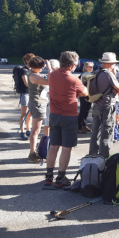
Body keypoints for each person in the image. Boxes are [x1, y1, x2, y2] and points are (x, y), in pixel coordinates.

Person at [45, 51, 89, 187]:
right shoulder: (73, 79)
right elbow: (85, 92)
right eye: (76, 64)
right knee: (66, 148)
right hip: (68, 116)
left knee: (53, 146)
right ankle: (61, 177)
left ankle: (48, 176)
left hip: (54, 114)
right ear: (71, 66)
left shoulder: (52, 75)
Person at [88, 52, 119, 158]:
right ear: (109, 63)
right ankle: (104, 158)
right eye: (113, 63)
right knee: (106, 133)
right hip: (107, 106)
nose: (114, 65)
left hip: (96, 105)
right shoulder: (108, 74)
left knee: (95, 132)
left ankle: (92, 155)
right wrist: (117, 89)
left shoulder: (96, 71)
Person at [26, 56, 49, 163]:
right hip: (37, 104)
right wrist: (50, 69)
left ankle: (33, 152)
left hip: (35, 102)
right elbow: (49, 81)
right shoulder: (34, 76)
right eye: (41, 66)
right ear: (38, 67)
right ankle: (32, 153)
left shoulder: (31, 73)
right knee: (35, 130)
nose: (42, 67)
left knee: (35, 130)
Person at [16, 53, 35, 140]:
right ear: (27, 61)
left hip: (30, 93)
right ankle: (22, 132)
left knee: (29, 114)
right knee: (24, 113)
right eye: (32, 60)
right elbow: (26, 83)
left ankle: (28, 130)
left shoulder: (31, 70)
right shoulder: (23, 70)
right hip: (25, 93)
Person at [78, 62, 95, 133]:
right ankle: (79, 126)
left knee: (87, 110)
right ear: (85, 67)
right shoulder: (84, 75)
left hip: (89, 95)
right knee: (83, 110)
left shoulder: (90, 74)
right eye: (89, 67)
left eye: (92, 67)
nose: (91, 68)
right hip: (83, 95)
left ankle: (84, 125)